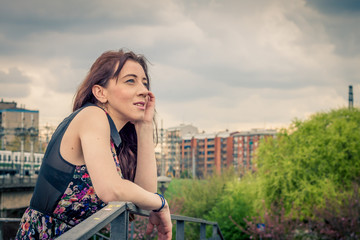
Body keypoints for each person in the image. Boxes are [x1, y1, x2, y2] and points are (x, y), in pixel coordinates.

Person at [16, 50, 172, 239]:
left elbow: (145, 195)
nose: (144, 91)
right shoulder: (93, 115)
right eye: (130, 81)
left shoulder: (111, 137)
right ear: (100, 92)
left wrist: (145, 126)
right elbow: (111, 189)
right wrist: (161, 203)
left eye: (144, 83)